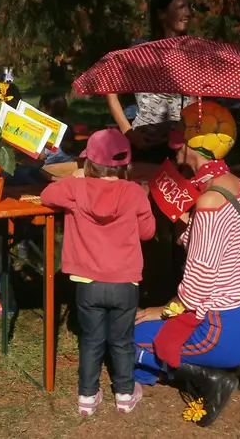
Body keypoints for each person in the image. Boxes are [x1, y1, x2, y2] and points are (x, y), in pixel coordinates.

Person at [134, 101, 240, 427]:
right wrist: (186, 220)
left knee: (124, 338)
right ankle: (222, 368)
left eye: (178, 132)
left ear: (192, 143)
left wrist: (161, 309)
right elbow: (220, 247)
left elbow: (197, 284)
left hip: (215, 328)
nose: (172, 138)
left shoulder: (209, 200)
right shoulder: (235, 185)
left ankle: (209, 378)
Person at [42, 129, 156, 416]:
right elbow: (147, 233)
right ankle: (125, 394)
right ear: (125, 167)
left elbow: (46, 194)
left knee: (91, 340)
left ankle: (87, 397)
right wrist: (144, 200)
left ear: (89, 165)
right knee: (122, 341)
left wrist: (77, 178)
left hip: (88, 282)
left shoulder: (76, 189)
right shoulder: (133, 192)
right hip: (125, 283)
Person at [106, 0, 194, 162]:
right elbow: (110, 89)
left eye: (189, 6)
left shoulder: (192, 50)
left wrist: (189, 131)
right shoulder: (142, 50)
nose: (188, 13)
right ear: (162, 14)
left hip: (182, 146)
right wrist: (128, 132)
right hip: (146, 146)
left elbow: (195, 97)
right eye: (180, 7)